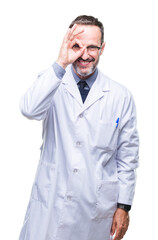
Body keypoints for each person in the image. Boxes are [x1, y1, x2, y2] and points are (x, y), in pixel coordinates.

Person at [19, 15, 139, 240]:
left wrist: (124, 206)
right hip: (50, 206)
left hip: (93, 210)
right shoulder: (51, 82)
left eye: (92, 47)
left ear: (102, 48)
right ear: (67, 46)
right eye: (77, 46)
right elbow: (29, 109)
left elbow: (127, 156)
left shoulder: (120, 96)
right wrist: (61, 62)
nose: (84, 55)